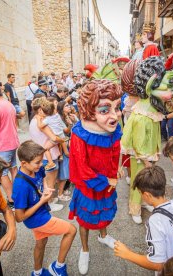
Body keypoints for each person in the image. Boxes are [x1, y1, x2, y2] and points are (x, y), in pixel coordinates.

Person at [68, 79, 122, 275]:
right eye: (105, 110)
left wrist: (116, 169)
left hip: (108, 182)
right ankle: (84, 249)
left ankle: (103, 236)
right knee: (84, 219)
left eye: (117, 107)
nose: (115, 116)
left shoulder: (113, 129)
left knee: (104, 213)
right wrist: (107, 180)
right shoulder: (80, 135)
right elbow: (82, 168)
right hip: (88, 186)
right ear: (89, 111)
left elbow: (116, 149)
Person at [121, 56, 173, 225]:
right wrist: (146, 162)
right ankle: (135, 207)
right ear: (150, 84)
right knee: (139, 181)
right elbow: (138, 143)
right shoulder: (141, 115)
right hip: (141, 157)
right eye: (168, 86)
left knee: (147, 181)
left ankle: (145, 202)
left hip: (149, 155)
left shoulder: (152, 111)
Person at [113, 166, 173, 272]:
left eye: (140, 193)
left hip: (172, 270)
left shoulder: (155, 221)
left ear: (147, 195)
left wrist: (127, 254)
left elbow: (157, 264)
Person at [12, 141, 76, 276]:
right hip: (37, 219)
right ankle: (58, 267)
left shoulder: (35, 168)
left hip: (40, 213)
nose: (41, 165)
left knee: (41, 243)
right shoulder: (20, 185)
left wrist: (46, 188)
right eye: (37, 162)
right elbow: (19, 217)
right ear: (23, 163)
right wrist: (42, 201)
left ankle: (37, 273)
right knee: (71, 230)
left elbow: (43, 177)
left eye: (41, 161)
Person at [29, 98, 64, 212]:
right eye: (45, 109)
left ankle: (50, 201)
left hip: (44, 155)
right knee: (49, 183)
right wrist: (63, 139)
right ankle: (49, 204)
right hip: (47, 156)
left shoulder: (35, 121)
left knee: (48, 182)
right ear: (40, 110)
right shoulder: (42, 124)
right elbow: (54, 138)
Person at [35, 100, 69, 171]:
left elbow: (40, 126)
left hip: (56, 137)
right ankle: (62, 155)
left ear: (44, 112)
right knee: (63, 147)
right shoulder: (57, 115)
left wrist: (38, 119)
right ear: (54, 109)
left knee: (45, 149)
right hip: (62, 135)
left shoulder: (47, 119)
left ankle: (51, 163)